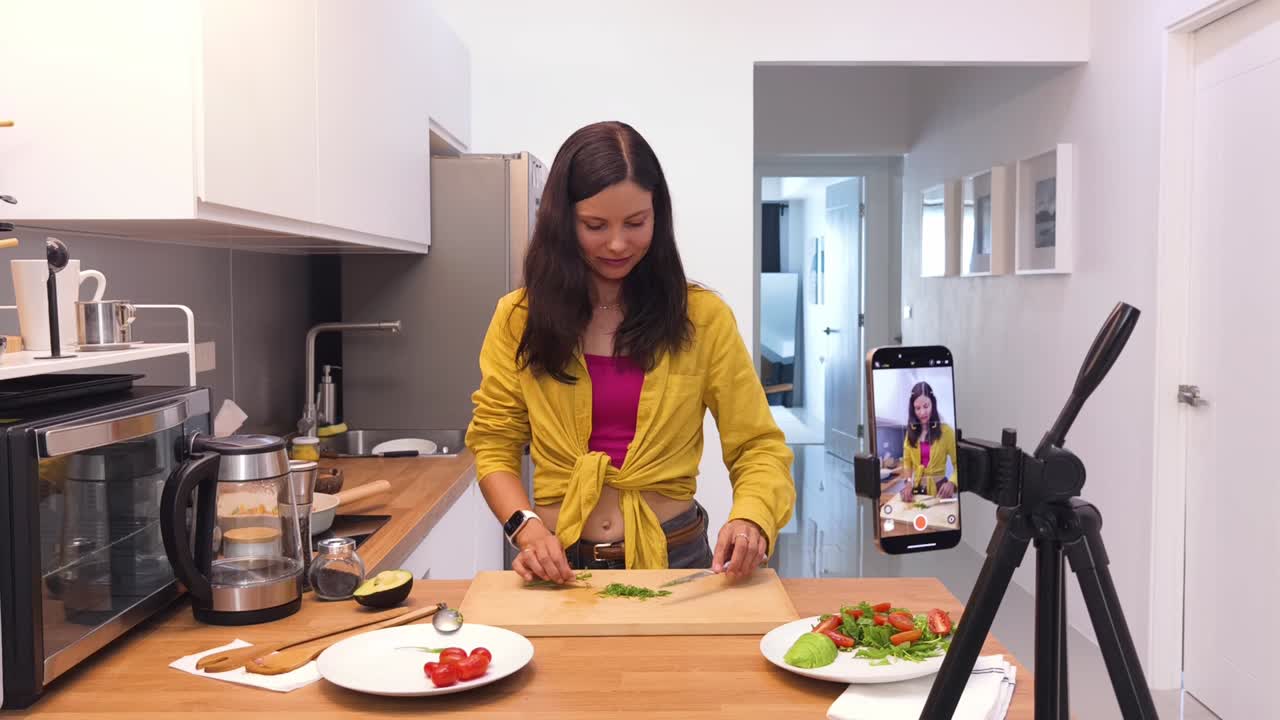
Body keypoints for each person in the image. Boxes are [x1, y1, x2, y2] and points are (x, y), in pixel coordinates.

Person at [466, 121, 795, 584]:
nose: (618, 243)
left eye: (636, 223)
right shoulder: (518, 317)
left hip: (675, 556)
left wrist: (753, 517)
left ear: (657, 217)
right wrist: (525, 527)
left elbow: (758, 445)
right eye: (595, 226)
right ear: (563, 222)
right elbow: (494, 443)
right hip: (556, 562)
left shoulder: (702, 318)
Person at [898, 381, 958, 501]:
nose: (922, 412)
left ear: (933, 404)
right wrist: (908, 482)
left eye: (926, 406)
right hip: (916, 489)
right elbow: (907, 462)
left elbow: (959, 463)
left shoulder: (946, 431)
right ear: (913, 409)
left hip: (940, 490)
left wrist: (952, 483)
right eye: (917, 408)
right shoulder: (910, 432)